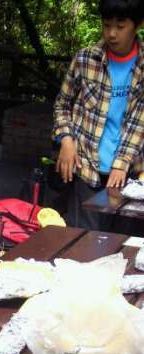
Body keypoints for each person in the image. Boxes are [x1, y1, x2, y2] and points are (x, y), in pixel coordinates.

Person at [53, 0, 144, 231]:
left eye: (120, 26)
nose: (111, 33)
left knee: (123, 243)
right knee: (82, 239)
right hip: (86, 169)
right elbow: (62, 104)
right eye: (106, 25)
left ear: (138, 25)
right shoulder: (85, 60)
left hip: (131, 175)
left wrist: (121, 164)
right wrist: (66, 140)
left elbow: (140, 122)